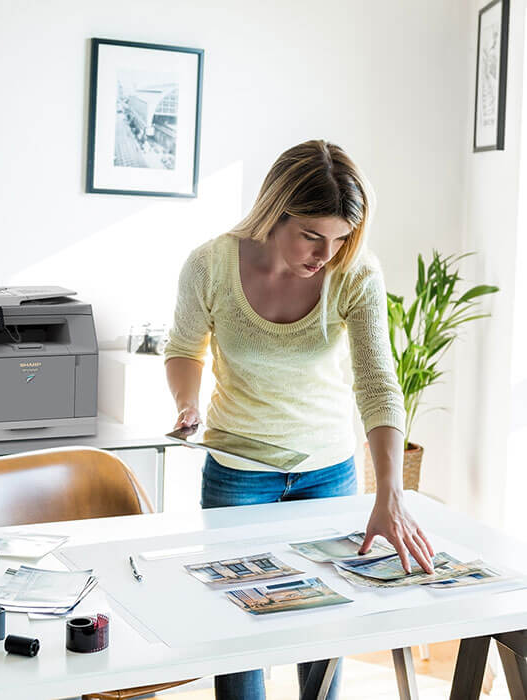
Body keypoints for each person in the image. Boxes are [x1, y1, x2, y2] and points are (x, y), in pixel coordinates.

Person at [163, 140, 435, 700]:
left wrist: (389, 491)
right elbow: (184, 348)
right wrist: (187, 402)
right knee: (238, 628)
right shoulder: (211, 264)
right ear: (275, 210)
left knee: (325, 627)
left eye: (339, 238)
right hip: (238, 469)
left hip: (328, 469)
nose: (325, 253)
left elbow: (377, 381)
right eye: (313, 234)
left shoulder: (354, 274)